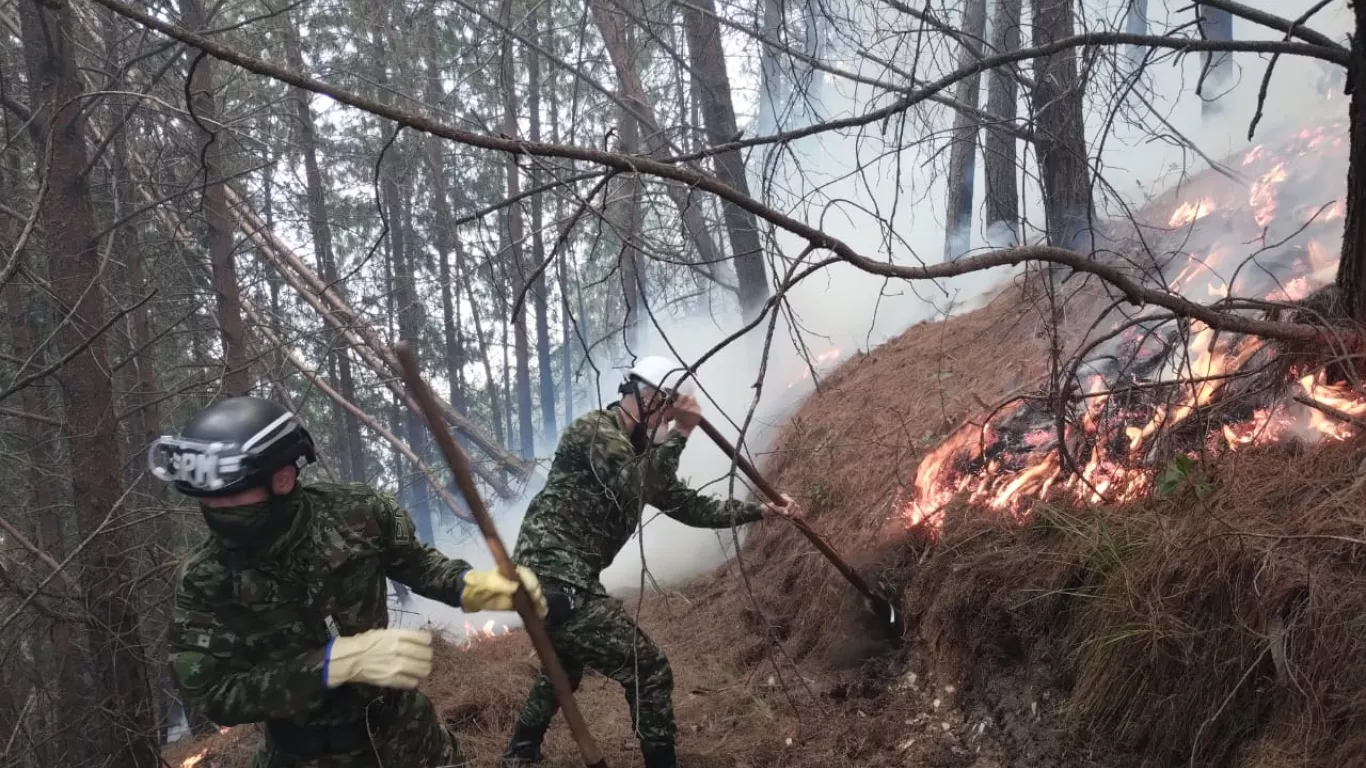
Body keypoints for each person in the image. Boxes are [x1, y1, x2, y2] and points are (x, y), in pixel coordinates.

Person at [157, 396, 547, 768]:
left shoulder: (357, 513)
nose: (215, 510)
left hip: (409, 740)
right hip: (301, 757)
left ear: (282, 478)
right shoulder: (205, 579)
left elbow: (418, 564)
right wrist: (331, 665)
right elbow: (216, 695)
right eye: (205, 500)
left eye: (229, 497)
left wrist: (470, 585)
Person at [500, 356, 802, 768]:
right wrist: (681, 432)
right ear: (647, 399)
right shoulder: (595, 432)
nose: (663, 422)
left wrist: (760, 510)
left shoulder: (637, 454)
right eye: (663, 412)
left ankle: (519, 755)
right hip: (552, 575)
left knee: (563, 668)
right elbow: (637, 484)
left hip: (564, 579)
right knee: (649, 667)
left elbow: (686, 505)